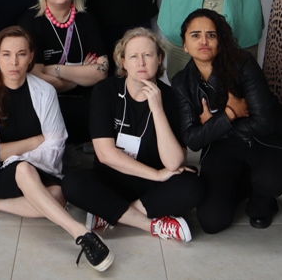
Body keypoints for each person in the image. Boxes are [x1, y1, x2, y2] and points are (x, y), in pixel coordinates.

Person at [0, 26, 115, 273]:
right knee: (24, 170)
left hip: (42, 167)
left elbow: (55, 145)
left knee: (57, 196)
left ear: (31, 58)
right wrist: (35, 141)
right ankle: (81, 234)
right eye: (6, 54)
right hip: (2, 172)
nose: (14, 62)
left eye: (21, 54)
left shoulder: (45, 91)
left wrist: (6, 149)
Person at [61, 28, 203, 242]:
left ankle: (110, 212)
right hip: (113, 177)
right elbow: (105, 155)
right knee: (72, 183)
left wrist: (157, 109)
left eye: (148, 55)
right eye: (134, 56)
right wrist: (156, 174)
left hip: (152, 185)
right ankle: (151, 224)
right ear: (123, 62)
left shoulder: (172, 97)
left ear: (159, 59)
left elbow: (173, 162)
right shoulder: (105, 91)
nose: (141, 62)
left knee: (194, 187)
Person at [171, 9, 282, 234]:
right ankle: (243, 184)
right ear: (185, 45)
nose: (204, 41)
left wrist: (212, 127)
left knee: (268, 186)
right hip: (223, 148)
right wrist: (228, 115)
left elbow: (263, 123)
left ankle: (263, 198)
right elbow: (192, 140)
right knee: (211, 222)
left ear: (220, 40)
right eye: (195, 35)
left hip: (262, 141)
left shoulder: (242, 63)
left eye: (211, 35)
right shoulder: (181, 82)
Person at [18, 0, 108, 144]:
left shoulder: (86, 20)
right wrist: (79, 76)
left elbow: (101, 72)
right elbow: (35, 77)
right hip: (44, 100)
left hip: (83, 99)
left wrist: (55, 69)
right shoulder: (31, 22)